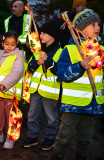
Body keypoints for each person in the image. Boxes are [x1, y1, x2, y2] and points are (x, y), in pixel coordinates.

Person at [52, 9, 104, 160]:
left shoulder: (102, 50)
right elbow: (62, 74)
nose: (98, 28)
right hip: (73, 105)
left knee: (86, 137)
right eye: (93, 24)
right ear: (80, 29)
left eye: (99, 24)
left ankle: (82, 155)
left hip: (93, 104)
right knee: (65, 135)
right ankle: (57, 155)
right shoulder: (70, 50)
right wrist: (80, 67)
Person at [22, 20, 62, 151]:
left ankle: (50, 138)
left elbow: (60, 71)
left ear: (53, 35)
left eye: (44, 33)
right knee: (32, 115)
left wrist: (47, 60)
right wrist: (37, 63)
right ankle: (32, 136)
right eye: (41, 33)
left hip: (50, 90)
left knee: (51, 117)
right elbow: (30, 67)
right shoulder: (38, 49)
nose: (41, 35)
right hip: (35, 89)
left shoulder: (61, 52)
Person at [0, 31, 24, 149]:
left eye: (12, 44)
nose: (9, 47)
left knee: (11, 116)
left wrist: (4, 84)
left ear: (16, 44)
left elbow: (16, 73)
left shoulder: (18, 57)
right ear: (2, 43)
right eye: (7, 43)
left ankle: (10, 137)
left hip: (10, 92)